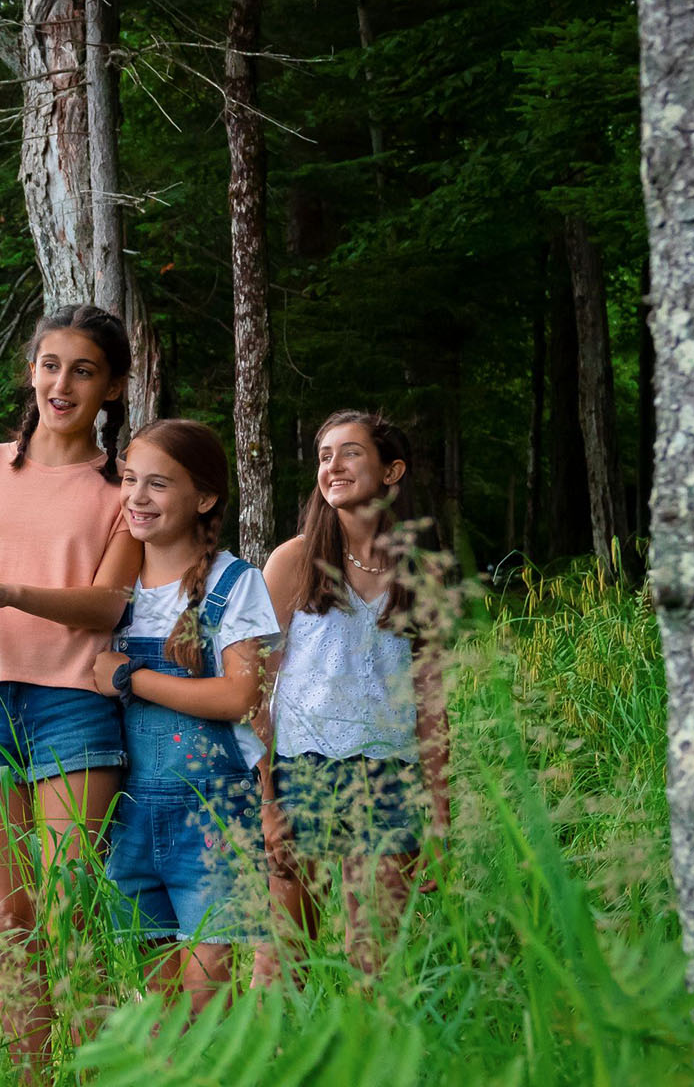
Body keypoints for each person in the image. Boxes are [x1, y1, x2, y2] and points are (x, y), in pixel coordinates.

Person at [0, 303, 142, 1075]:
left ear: (112, 387)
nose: (62, 384)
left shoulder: (122, 489)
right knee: (6, 918)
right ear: (31, 372)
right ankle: (32, 1075)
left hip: (73, 706)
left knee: (68, 911)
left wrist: (8, 592)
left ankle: (99, 1070)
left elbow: (108, 605)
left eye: (84, 371)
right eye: (51, 365)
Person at [87, 419, 280, 1013]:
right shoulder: (112, 592)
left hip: (213, 816)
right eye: (129, 480)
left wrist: (132, 678)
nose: (137, 497)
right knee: (160, 1004)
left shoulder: (234, 583)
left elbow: (240, 696)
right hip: (128, 813)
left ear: (205, 498)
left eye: (159, 484)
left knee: (204, 997)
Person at [260, 410, 452, 977]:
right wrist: (267, 803)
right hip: (303, 770)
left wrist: (439, 813)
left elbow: (431, 700)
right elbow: (255, 695)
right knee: (284, 960)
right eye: (325, 456)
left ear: (392, 472)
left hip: (392, 776)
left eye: (350, 453)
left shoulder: (421, 572)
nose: (333, 466)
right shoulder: (293, 561)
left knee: (377, 962)